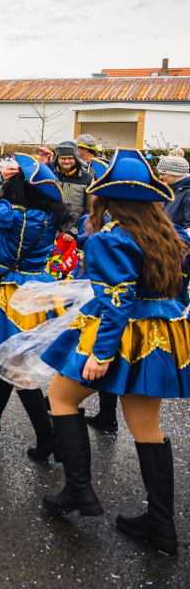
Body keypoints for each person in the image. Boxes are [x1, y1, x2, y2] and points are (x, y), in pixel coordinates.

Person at [39, 149, 188, 554]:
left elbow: (117, 302)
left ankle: (78, 490)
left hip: (122, 336)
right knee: (146, 426)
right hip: (162, 333)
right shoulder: (170, 234)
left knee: (60, 397)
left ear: (106, 198)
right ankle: (161, 524)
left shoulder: (110, 238)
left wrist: (101, 354)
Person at [0, 154, 69, 461]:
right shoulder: (50, 215)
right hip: (39, 287)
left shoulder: (10, 213)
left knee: (16, 366)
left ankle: (48, 436)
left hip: (11, 291)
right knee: (8, 359)